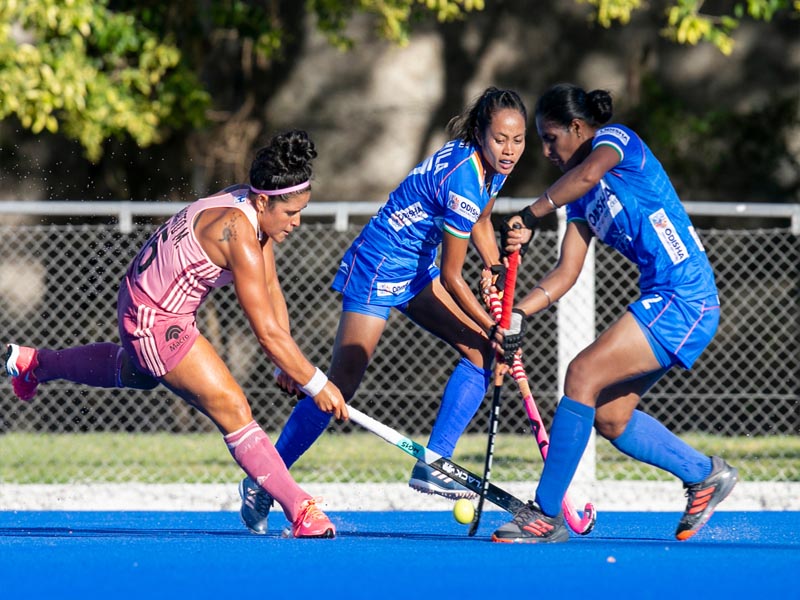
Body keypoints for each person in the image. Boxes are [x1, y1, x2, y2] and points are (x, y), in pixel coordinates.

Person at [3, 130, 348, 539]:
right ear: (262, 201)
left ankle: (34, 364)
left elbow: (270, 288)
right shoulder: (237, 232)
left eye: (301, 210)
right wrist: (316, 382)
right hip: (155, 316)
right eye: (291, 213)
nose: (297, 222)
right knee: (232, 407)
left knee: (139, 373)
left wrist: (289, 363)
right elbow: (265, 334)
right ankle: (300, 510)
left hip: (143, 298)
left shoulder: (248, 207)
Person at [236, 87, 528, 534]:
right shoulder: (465, 177)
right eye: (500, 139)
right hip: (380, 263)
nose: (509, 150)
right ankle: (264, 479)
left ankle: (434, 464)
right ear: (480, 134)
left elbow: (483, 221)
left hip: (416, 268)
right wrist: (494, 325)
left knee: (481, 355)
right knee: (341, 384)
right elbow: (453, 277)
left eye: (518, 140)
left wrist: (491, 267)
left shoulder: (492, 169)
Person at [491, 83, 738, 543]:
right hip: (668, 300)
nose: (545, 151)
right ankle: (704, 474)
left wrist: (532, 211)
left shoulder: (618, 142)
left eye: (550, 138)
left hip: (684, 297)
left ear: (578, 128)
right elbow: (566, 273)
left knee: (581, 374)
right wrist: (518, 313)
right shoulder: (580, 200)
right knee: (610, 418)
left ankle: (544, 514)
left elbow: (585, 176)